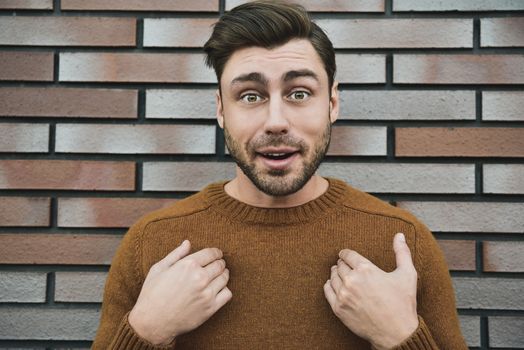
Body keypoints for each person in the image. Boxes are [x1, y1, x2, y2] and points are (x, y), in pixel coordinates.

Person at [92, 1, 468, 349]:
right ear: (221, 109)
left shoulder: (401, 242)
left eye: (299, 93)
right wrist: (145, 332)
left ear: (333, 103)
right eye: (250, 96)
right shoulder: (153, 242)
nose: (275, 122)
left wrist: (401, 336)